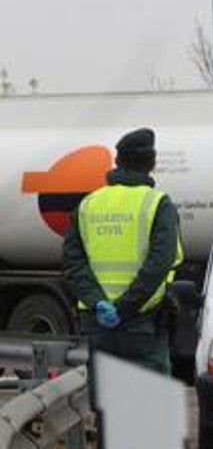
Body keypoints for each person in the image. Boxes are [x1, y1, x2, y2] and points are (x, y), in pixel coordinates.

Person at [63, 127, 183, 374]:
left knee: (108, 403)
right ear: (152, 162)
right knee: (148, 403)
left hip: (98, 324)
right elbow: (159, 263)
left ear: (117, 162)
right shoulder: (158, 204)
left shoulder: (88, 204)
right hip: (142, 323)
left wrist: (99, 304)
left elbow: (73, 264)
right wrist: (124, 308)